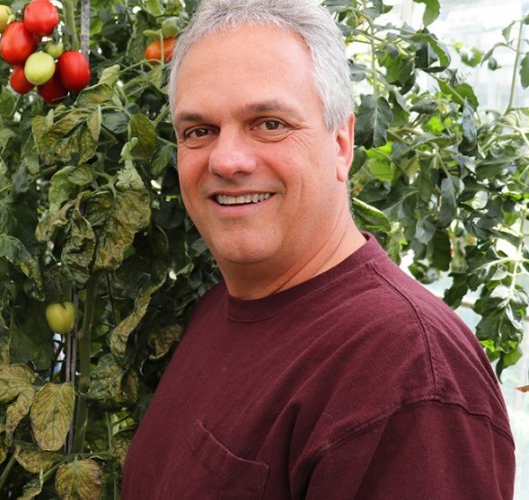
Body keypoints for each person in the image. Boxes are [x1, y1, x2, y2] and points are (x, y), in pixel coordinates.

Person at [122, 0, 516, 497]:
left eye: (269, 123)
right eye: (199, 131)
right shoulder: (229, 304)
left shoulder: (404, 373)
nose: (227, 160)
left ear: (342, 142)